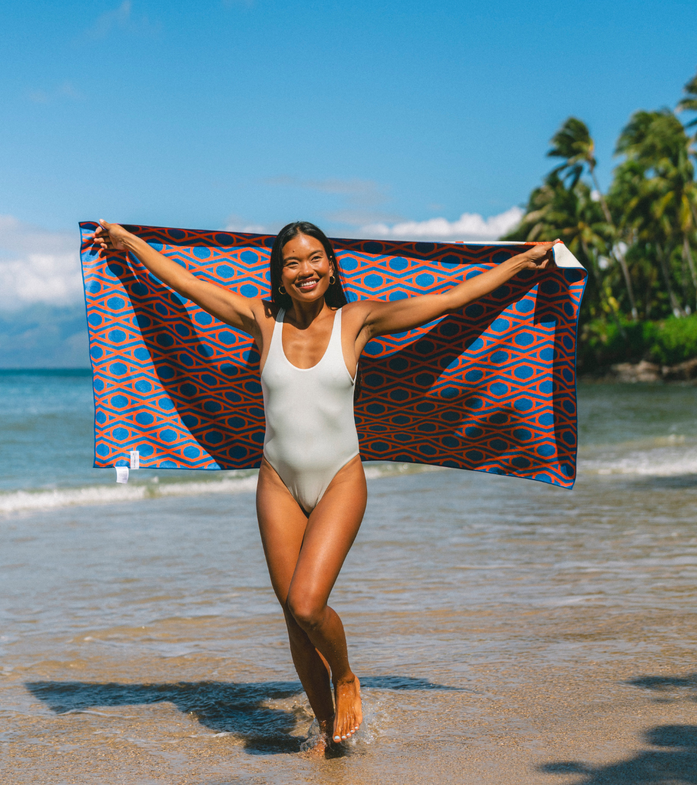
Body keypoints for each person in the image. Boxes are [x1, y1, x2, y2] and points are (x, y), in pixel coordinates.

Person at [93, 219, 556, 749]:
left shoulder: (355, 322)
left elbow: (449, 301)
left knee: (309, 604)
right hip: (277, 482)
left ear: (331, 265)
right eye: (292, 262)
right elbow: (188, 286)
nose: (305, 269)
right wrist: (128, 244)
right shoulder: (262, 320)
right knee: (293, 618)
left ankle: (346, 677)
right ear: (279, 274)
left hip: (340, 477)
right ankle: (326, 732)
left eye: (314, 258)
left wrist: (520, 264)